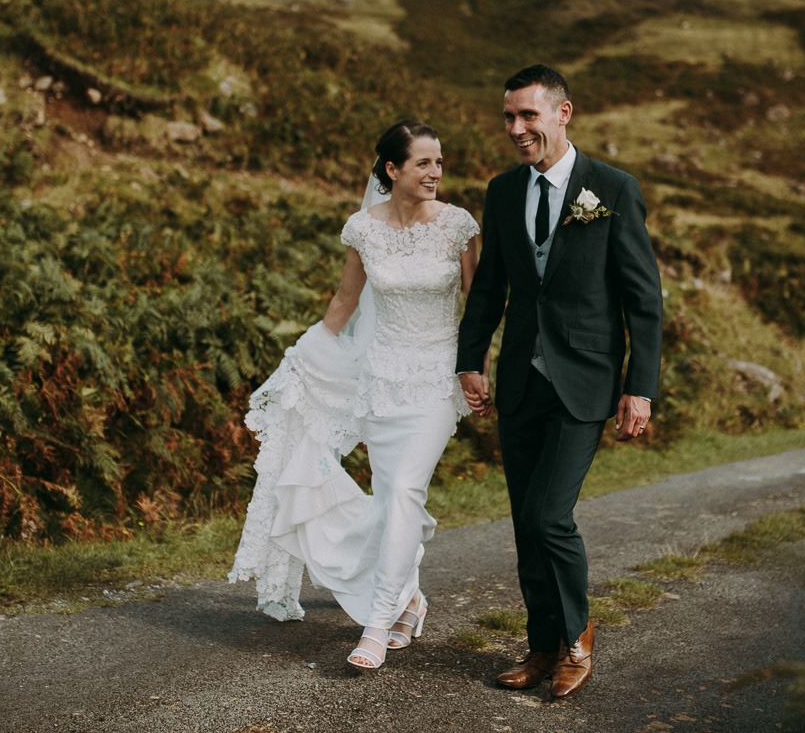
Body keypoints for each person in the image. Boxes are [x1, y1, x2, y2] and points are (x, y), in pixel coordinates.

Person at [229, 120, 480, 671]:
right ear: (392, 170)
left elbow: (477, 304)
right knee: (393, 499)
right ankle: (412, 600)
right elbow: (346, 299)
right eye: (423, 163)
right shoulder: (363, 229)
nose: (435, 172)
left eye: (439, 162)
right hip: (381, 380)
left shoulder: (459, 225)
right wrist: (303, 354)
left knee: (407, 489)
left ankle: (377, 620)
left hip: (437, 380)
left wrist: (478, 370)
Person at [456, 64, 662, 698]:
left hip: (585, 379)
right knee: (524, 520)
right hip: (521, 378)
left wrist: (640, 386)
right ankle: (543, 646)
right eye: (509, 118)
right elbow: (490, 286)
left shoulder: (613, 188)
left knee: (550, 515)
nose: (517, 129)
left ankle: (578, 638)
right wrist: (470, 359)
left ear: (563, 113)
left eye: (528, 116)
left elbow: (642, 297)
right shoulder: (501, 189)